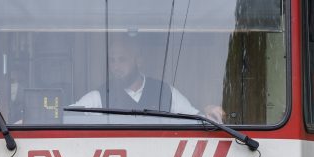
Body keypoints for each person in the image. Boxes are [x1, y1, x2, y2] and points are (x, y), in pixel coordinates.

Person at [70, 34, 225, 122]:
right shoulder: (99, 97)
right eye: (112, 60)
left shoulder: (165, 92)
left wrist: (208, 111)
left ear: (138, 61)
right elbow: (68, 117)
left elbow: (197, 119)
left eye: (122, 60)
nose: (116, 66)